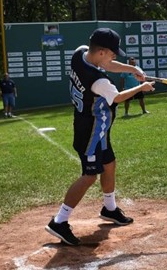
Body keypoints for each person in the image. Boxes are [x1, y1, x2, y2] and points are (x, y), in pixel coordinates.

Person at [45, 28, 155, 246]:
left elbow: (108, 64)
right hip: (91, 133)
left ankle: (110, 208)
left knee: (110, 164)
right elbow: (117, 98)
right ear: (102, 51)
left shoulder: (80, 53)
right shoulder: (98, 81)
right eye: (113, 52)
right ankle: (59, 221)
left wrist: (132, 69)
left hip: (98, 128)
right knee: (89, 176)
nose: (115, 56)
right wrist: (142, 86)